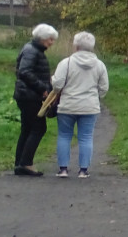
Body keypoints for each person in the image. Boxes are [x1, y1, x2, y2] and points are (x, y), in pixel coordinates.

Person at [51, 31, 109, 178]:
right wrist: (96, 97)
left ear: (76, 46)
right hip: (89, 107)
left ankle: (63, 169)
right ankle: (83, 170)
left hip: (67, 106)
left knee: (64, 136)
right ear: (92, 47)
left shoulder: (66, 63)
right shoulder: (100, 65)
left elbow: (57, 84)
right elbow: (104, 87)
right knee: (86, 137)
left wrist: (55, 84)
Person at [13, 23, 59, 176]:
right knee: (39, 128)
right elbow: (24, 72)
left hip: (26, 94)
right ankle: (26, 163)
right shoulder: (32, 51)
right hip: (29, 96)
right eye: (50, 39)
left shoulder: (32, 50)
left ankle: (20, 163)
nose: (52, 43)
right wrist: (43, 89)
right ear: (43, 38)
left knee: (27, 129)